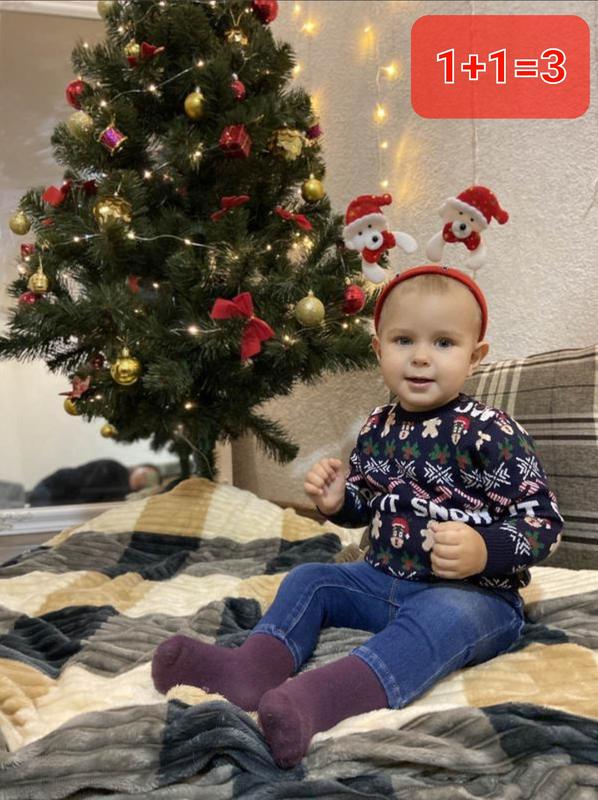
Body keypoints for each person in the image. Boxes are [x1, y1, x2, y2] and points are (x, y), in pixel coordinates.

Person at [151, 265, 563, 768]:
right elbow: (368, 504)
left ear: (475, 357)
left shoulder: (492, 432)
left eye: (444, 343)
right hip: (380, 579)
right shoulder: (378, 426)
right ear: (378, 349)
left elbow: (544, 524)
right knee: (310, 579)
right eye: (404, 340)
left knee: (443, 619)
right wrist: (337, 501)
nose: (421, 357)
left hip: (475, 595)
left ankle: (317, 699)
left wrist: (483, 550)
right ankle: (250, 671)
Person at [27, 460, 161, 506]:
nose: (146, 477)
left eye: (151, 478)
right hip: (51, 490)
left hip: (58, 497)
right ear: (137, 467)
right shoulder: (114, 468)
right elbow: (88, 493)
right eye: (146, 472)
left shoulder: (126, 494)